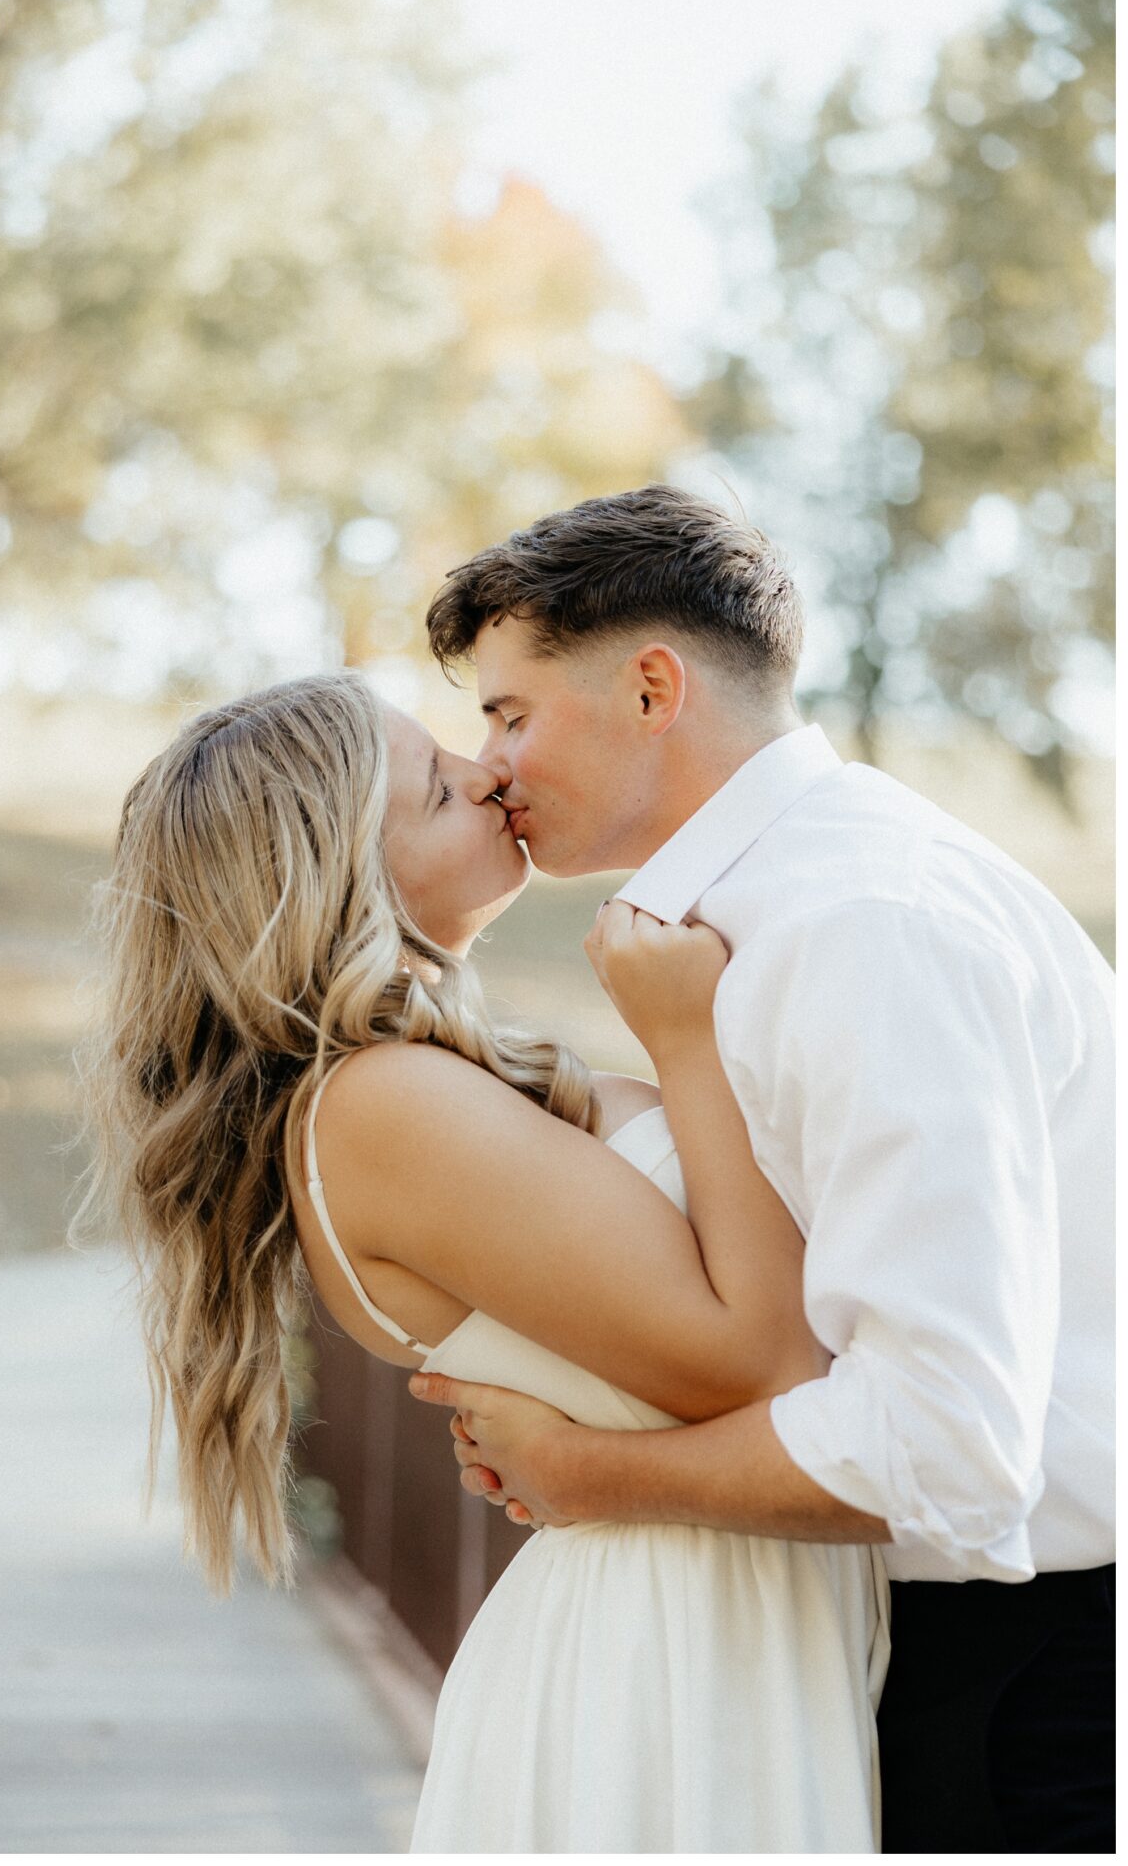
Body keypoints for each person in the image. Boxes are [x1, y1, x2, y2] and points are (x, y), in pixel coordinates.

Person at [410, 485, 1113, 1853]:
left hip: (1040, 1694)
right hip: (945, 1656)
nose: (489, 764)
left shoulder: (860, 926)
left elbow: (947, 1447)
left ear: (654, 686)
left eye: (509, 712)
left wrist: (594, 1471)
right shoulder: (763, 913)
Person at [85, 668, 886, 1849]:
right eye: (431, 785)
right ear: (340, 868)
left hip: (732, 1621)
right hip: (669, 1670)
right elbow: (762, 1355)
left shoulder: (420, 1085)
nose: (485, 771)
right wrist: (688, 1040)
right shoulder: (379, 1107)